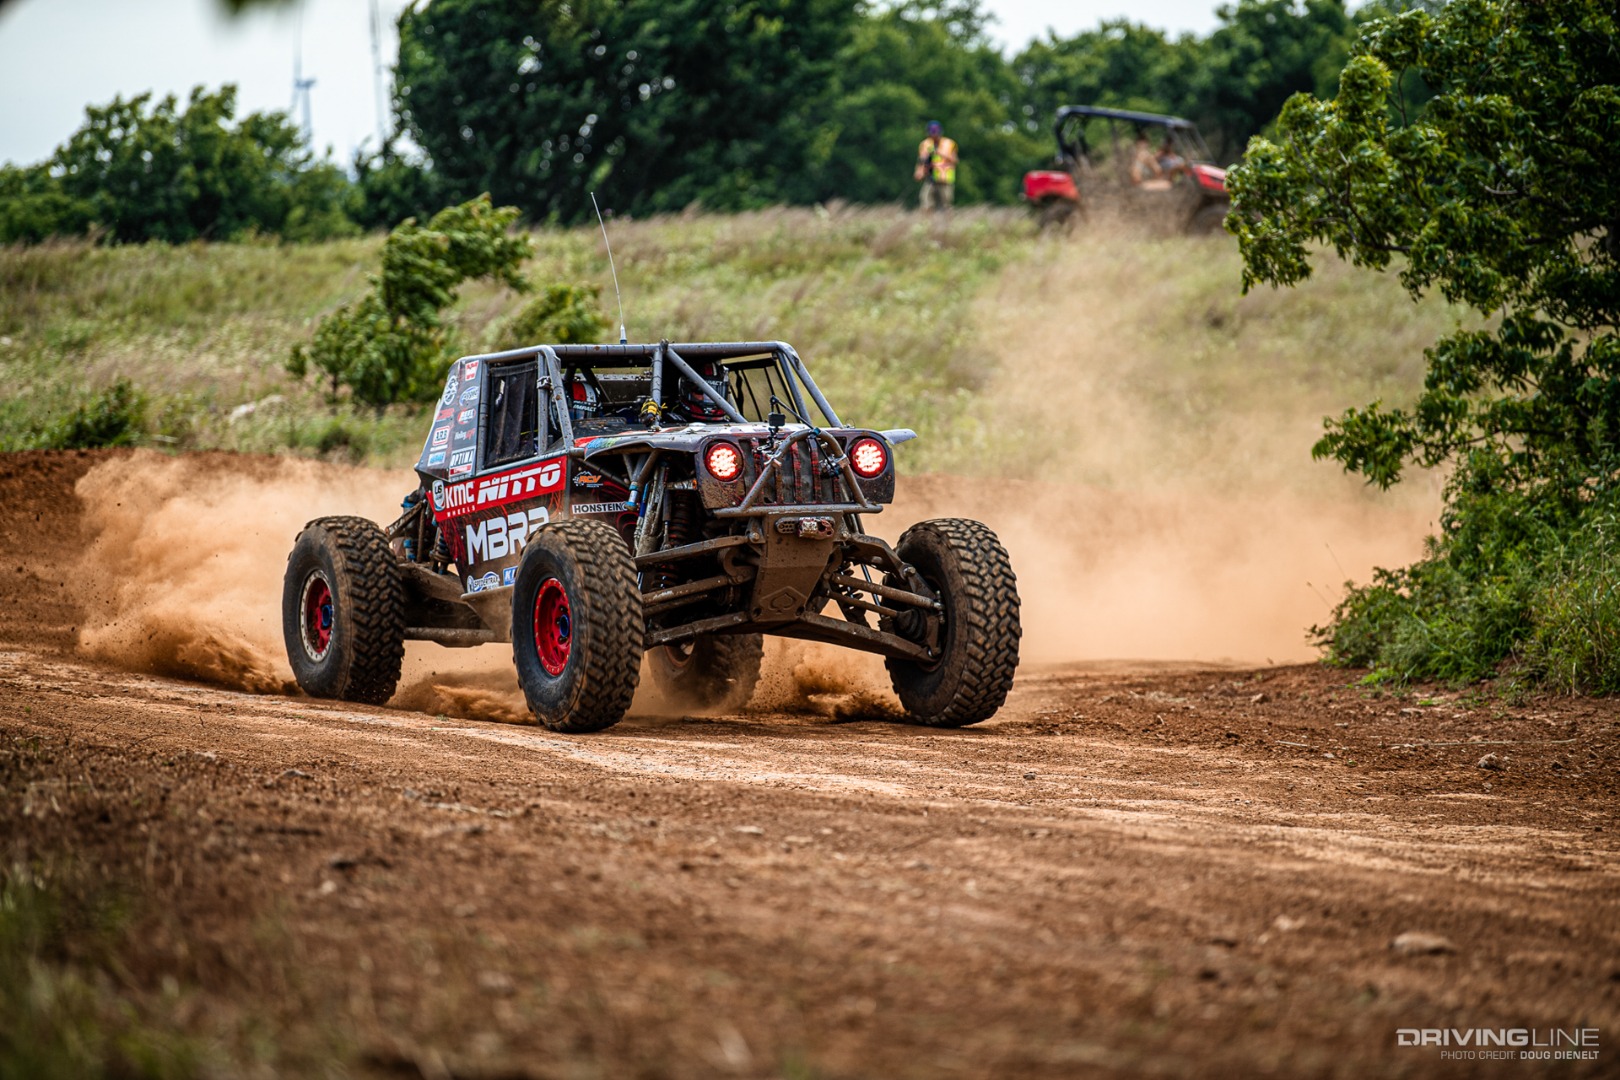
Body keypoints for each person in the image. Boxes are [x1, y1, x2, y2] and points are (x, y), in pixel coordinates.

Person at [914, 121, 958, 212]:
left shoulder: (949, 144)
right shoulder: (925, 144)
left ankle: (947, 220)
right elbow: (921, 160)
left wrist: (939, 153)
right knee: (926, 203)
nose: (934, 135)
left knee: (946, 206)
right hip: (930, 178)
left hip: (944, 179)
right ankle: (927, 220)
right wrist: (919, 171)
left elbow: (955, 160)